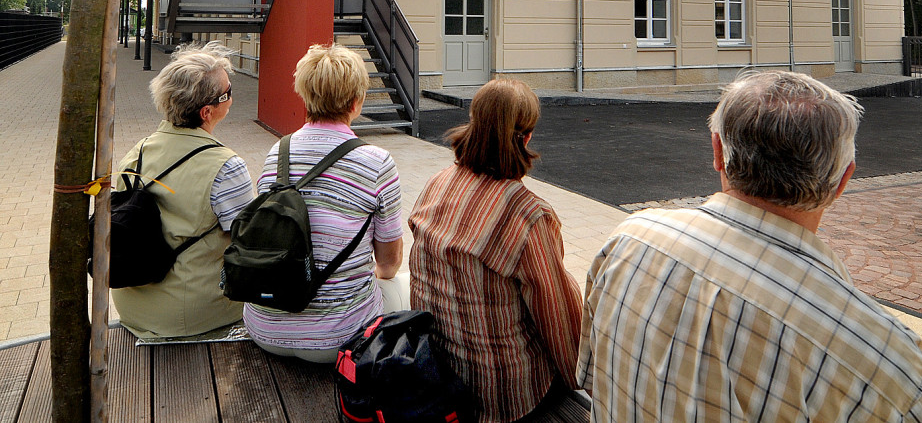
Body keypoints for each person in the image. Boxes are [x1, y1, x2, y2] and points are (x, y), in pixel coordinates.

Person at [578, 70, 922, 423]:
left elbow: (593, 380)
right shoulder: (876, 349)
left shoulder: (629, 238)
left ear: (717, 151)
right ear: (843, 180)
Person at [409, 78, 583, 423]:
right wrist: (580, 381)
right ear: (527, 137)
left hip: (439, 369)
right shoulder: (528, 215)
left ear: (474, 125)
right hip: (503, 396)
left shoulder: (438, 182)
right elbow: (558, 319)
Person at [243, 43, 405, 361]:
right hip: (341, 340)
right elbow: (388, 263)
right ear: (356, 102)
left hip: (264, 327)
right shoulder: (376, 161)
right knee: (400, 287)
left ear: (304, 95)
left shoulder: (279, 153)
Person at [113, 40, 254, 339]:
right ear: (207, 111)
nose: (232, 98)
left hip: (132, 304)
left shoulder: (137, 153)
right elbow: (248, 242)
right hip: (195, 313)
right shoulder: (226, 166)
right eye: (229, 93)